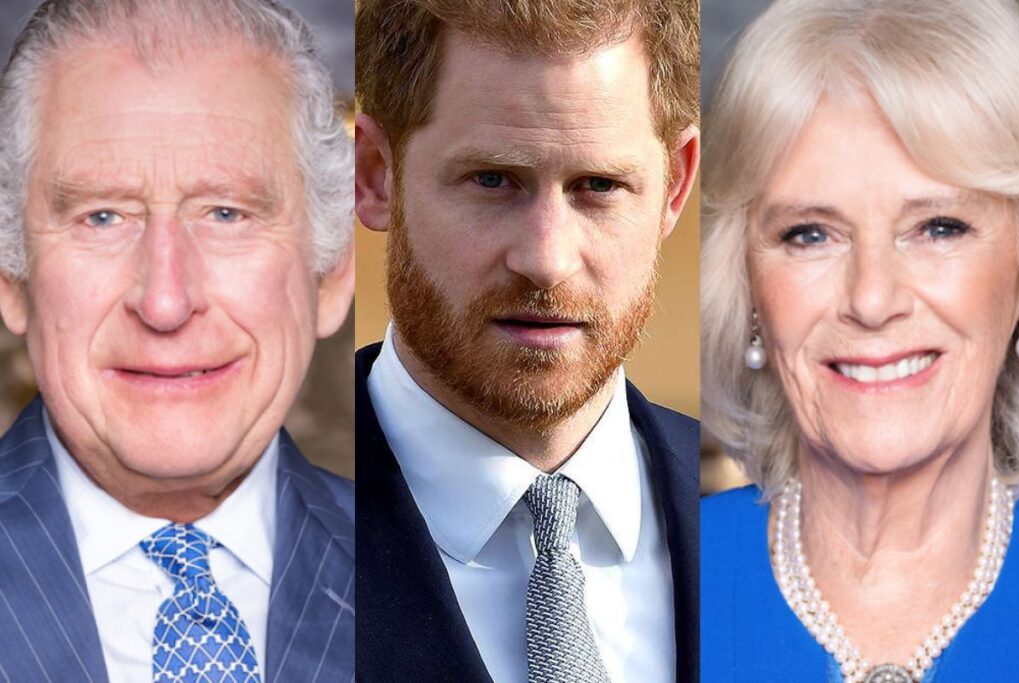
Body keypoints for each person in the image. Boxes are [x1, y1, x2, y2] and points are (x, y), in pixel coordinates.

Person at [0, 0, 355, 679]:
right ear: (12, 278)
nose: (165, 301)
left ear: (331, 277)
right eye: (102, 216)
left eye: (227, 212)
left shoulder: (417, 567)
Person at [353, 0, 700, 681]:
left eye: (598, 186)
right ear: (374, 176)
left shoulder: (771, 533)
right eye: (492, 180)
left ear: (674, 185)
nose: (547, 259)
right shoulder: (251, 548)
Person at [700, 0, 1019, 681]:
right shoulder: (659, 579)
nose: (871, 299)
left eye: (939, 226)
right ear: (749, 285)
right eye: (810, 234)